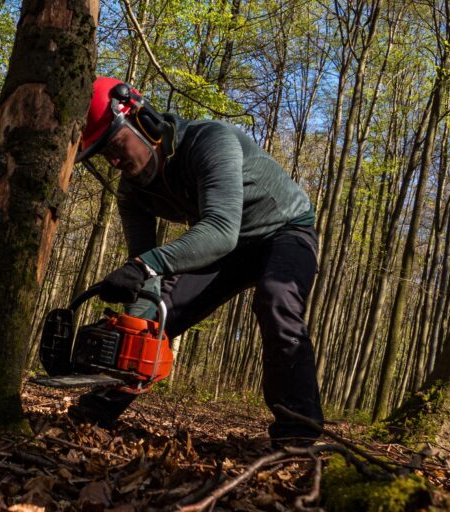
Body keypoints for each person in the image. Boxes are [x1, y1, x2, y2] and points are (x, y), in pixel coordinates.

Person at [69, 76, 323, 448]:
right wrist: (139, 298)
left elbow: (219, 229)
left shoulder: (209, 141)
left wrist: (144, 267)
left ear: (143, 121)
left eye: (115, 144)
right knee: (157, 312)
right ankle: (98, 409)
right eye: (103, 154)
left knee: (276, 299)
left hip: (284, 231)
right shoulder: (132, 191)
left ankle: (297, 433)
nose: (114, 160)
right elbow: (148, 270)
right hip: (229, 248)